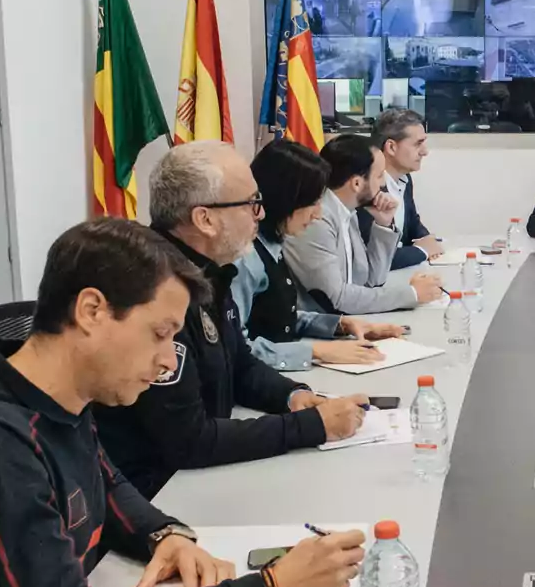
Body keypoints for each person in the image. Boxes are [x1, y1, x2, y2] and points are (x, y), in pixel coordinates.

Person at [0, 219, 365, 587]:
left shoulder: (59, 396)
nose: (168, 361)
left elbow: (107, 481)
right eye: (160, 334)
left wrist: (164, 533)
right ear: (92, 310)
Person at [95, 141, 368, 499]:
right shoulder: (152, 290)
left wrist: (293, 396)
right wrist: (308, 427)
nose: (260, 214)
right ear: (204, 219)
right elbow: (187, 441)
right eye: (251, 204)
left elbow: (240, 366)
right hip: (159, 494)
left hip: (201, 475)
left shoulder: (209, 272)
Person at [232, 139, 405, 372]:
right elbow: (235, 351)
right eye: (313, 202)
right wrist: (316, 352)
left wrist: (339, 325)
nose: (318, 214)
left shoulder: (273, 244)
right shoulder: (244, 258)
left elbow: (279, 317)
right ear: (287, 199)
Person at [285, 134, 443, 315]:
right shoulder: (316, 220)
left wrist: (383, 225)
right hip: (319, 329)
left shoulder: (347, 211)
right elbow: (338, 300)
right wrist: (412, 294)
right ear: (357, 183)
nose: (383, 183)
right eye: (378, 176)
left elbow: (371, 280)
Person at [375, 109, 445, 269]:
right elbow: (376, 257)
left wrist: (428, 240)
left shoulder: (405, 179)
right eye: (418, 144)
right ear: (391, 147)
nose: (425, 152)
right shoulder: (368, 186)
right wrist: (422, 250)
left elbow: (413, 224)